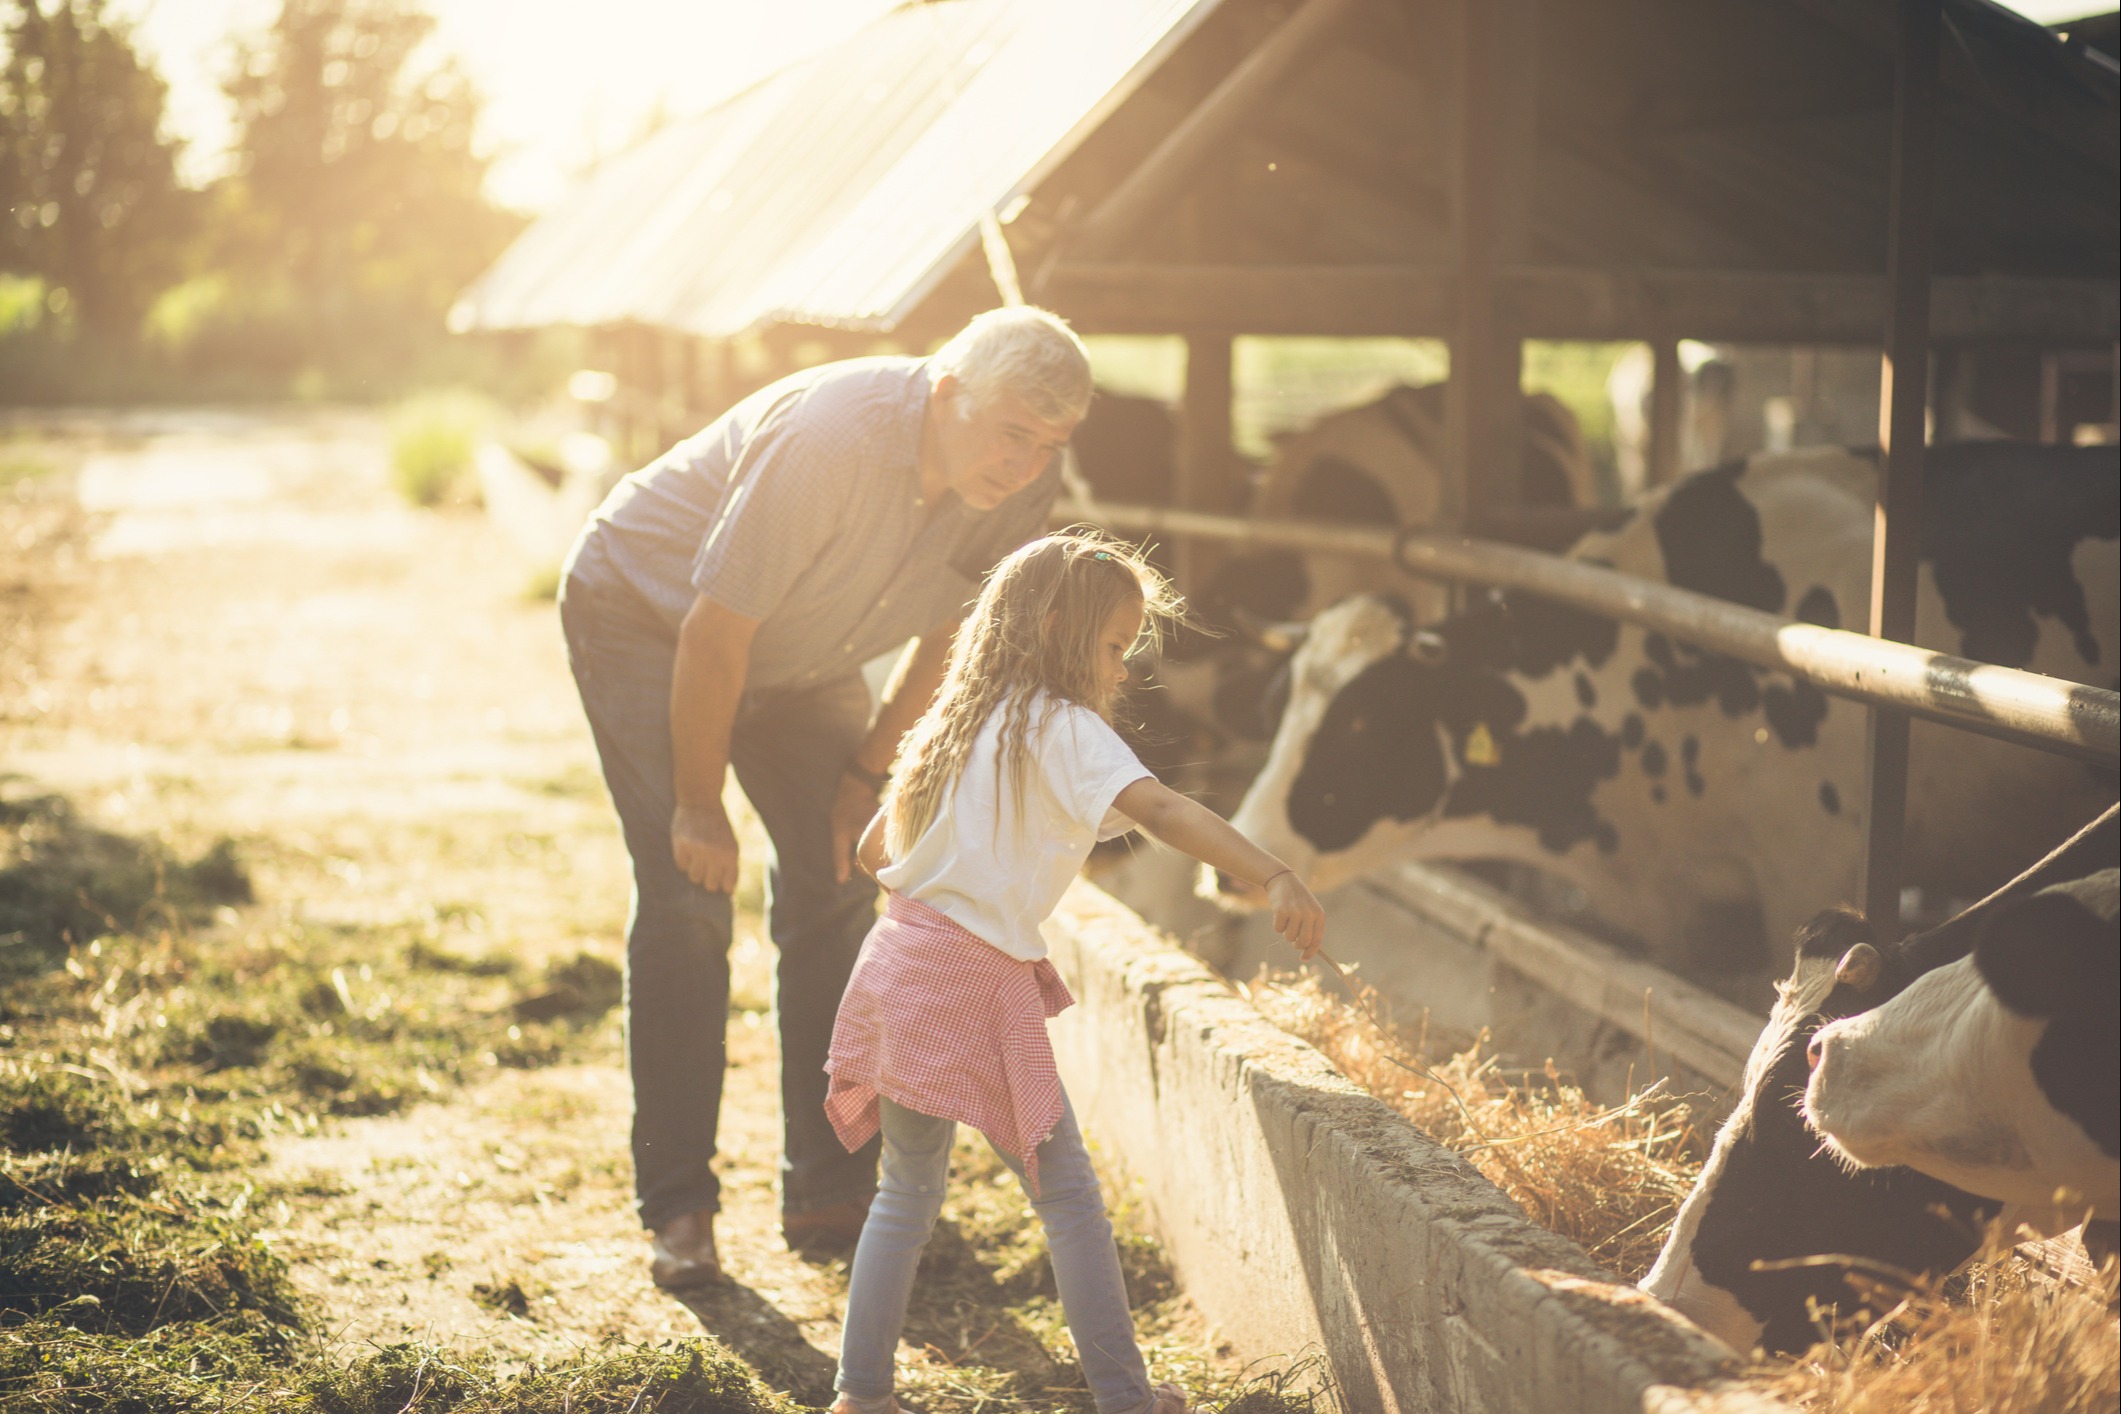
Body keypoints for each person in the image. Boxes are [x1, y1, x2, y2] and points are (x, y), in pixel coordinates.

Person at [558, 307, 1092, 1289]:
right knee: (686, 898)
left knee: (841, 873)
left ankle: (827, 1184)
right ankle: (679, 1204)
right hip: (652, 616)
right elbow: (714, 634)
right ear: (946, 394)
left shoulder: (1021, 481)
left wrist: (864, 777)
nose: (1025, 465)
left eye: (1048, 444)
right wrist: (697, 803)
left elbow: (956, 637)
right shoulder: (830, 441)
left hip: (808, 652)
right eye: (1011, 431)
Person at [824, 532, 1327, 1414]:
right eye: (1111, 648)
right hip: (970, 976)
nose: (1119, 670)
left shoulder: (953, 720)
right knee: (1069, 1197)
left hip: (896, 960)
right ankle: (1127, 1400)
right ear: (1056, 629)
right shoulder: (1060, 728)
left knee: (905, 1192)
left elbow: (874, 850)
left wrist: (968, 854)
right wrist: (1272, 872)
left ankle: (860, 1394)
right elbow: (1163, 808)